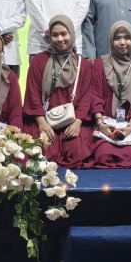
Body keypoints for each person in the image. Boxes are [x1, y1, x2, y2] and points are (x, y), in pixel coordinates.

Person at [23, 15, 93, 169]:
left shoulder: (83, 64)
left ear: (72, 34)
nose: (60, 39)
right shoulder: (39, 61)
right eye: (55, 35)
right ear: (49, 37)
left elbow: (86, 98)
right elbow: (33, 94)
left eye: (64, 34)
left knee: (77, 151)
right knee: (42, 152)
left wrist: (77, 123)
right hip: (43, 119)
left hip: (72, 120)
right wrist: (42, 123)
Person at [91, 21, 131, 168]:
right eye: (117, 38)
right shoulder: (101, 64)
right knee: (104, 156)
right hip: (106, 124)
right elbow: (96, 96)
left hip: (129, 125)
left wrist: (130, 127)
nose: (122, 42)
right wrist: (101, 124)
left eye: (127, 37)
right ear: (111, 40)